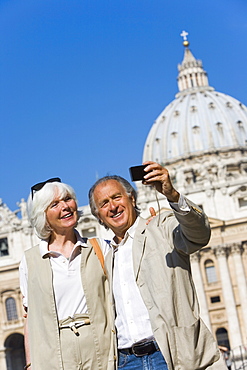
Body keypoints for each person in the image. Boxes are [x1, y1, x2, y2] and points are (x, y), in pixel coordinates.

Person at [88, 161, 227, 370]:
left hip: (170, 353)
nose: (113, 206)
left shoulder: (162, 226)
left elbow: (198, 234)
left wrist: (172, 195)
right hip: (126, 361)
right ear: (98, 215)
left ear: (132, 198)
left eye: (117, 197)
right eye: (104, 203)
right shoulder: (103, 256)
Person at [19, 178, 116, 370]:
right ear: (43, 215)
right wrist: (30, 364)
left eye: (68, 199)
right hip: (54, 357)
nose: (65, 206)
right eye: (55, 204)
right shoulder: (30, 261)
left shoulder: (100, 249)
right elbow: (30, 319)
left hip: (101, 352)